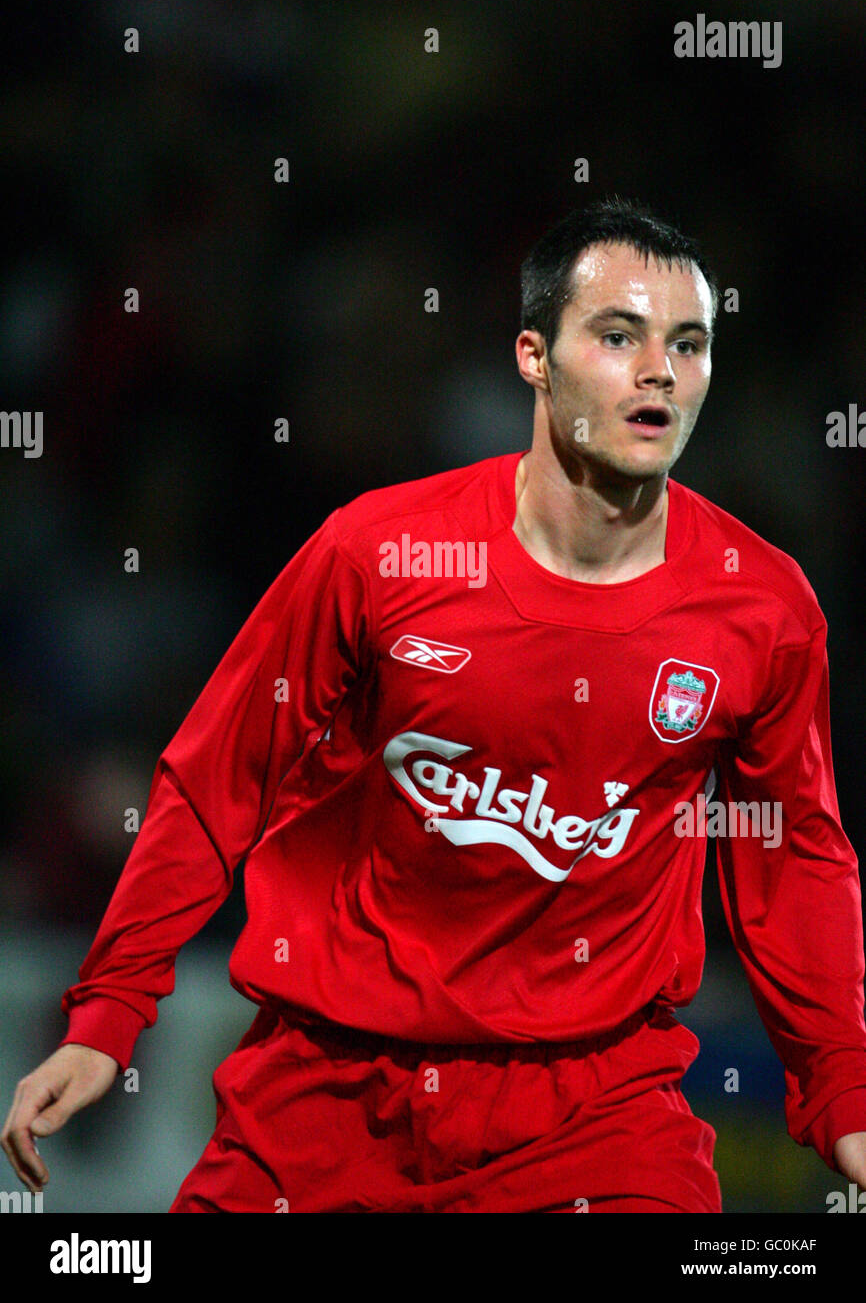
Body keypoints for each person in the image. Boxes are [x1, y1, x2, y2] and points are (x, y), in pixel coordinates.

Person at [4, 197, 866, 1213]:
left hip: (593, 1115)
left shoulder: (759, 607)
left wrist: (839, 1086)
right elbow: (212, 782)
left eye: (688, 344)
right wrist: (109, 1010)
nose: (658, 373)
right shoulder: (372, 553)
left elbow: (793, 854)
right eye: (618, 336)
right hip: (328, 1100)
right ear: (532, 358)